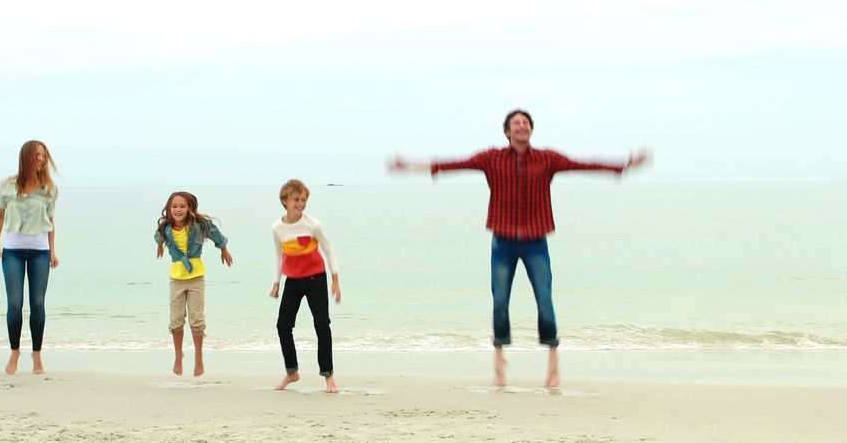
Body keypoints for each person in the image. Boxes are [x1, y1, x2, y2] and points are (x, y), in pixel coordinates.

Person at [390, 109, 646, 387]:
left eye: (525, 123)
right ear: (507, 132)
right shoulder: (492, 158)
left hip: (536, 241)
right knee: (500, 301)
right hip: (503, 241)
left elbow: (583, 165)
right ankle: (499, 361)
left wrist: (623, 166)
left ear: (531, 130)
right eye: (516, 123)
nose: (521, 126)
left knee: (545, 301)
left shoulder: (547, 159)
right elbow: (451, 165)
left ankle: (553, 362)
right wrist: (411, 166)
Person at [0, 140, 61, 375]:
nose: (41, 159)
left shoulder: (49, 189)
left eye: (44, 156)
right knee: (14, 304)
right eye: (37, 155)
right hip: (13, 251)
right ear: (27, 156)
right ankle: (15, 352)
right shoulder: (8, 185)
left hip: (40, 251)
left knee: (38, 304)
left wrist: (52, 251)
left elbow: (51, 222)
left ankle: (37, 354)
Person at [271, 179, 341, 393]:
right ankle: (292, 371)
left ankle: (328, 375)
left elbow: (329, 249)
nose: (300, 203)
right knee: (283, 326)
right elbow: (279, 255)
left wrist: (335, 280)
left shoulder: (313, 225)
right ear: (285, 200)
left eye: (304, 199)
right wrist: (276, 283)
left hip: (315, 280)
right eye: (296, 199)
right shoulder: (278, 228)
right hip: (292, 280)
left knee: (322, 326)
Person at [154, 191, 233, 377]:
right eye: (174, 206)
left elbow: (215, 233)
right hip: (176, 278)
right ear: (169, 209)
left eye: (182, 206)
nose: (178, 209)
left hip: (196, 277)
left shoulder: (199, 226)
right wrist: (160, 246)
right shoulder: (166, 228)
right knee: (176, 319)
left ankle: (199, 356)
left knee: (197, 319)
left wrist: (224, 250)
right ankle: (178, 355)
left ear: (189, 208)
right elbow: (158, 236)